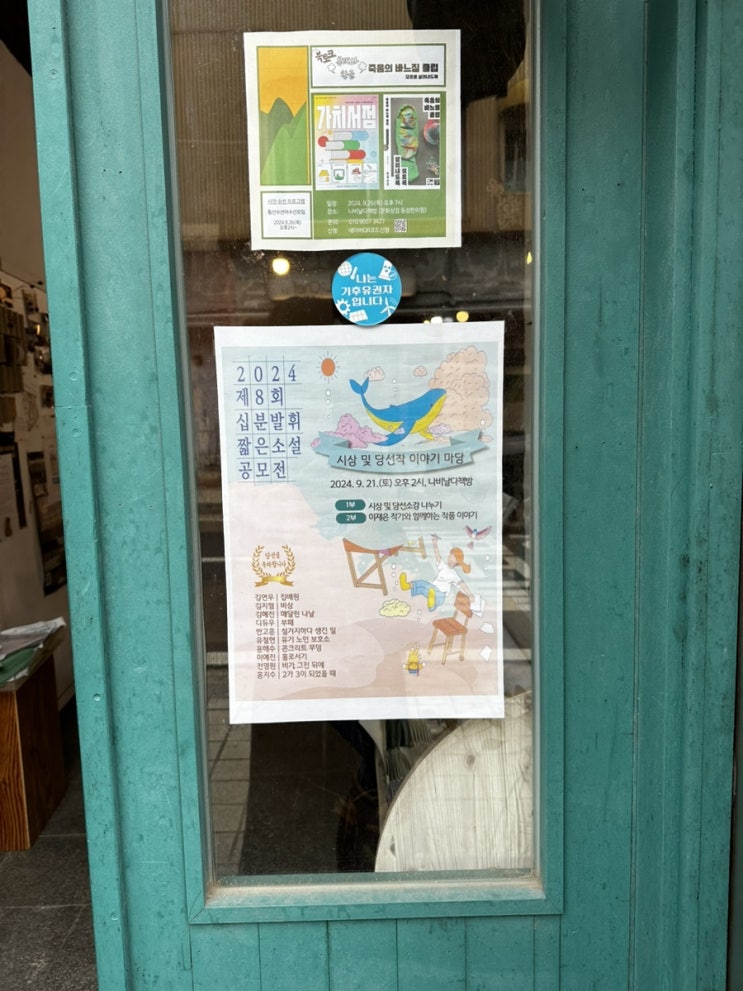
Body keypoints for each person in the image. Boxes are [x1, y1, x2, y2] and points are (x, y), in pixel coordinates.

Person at [399, 534, 473, 610]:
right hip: (432, 589)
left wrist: (470, 594)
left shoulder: (454, 575)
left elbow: (462, 585)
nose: (450, 558)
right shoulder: (444, 565)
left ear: (457, 561)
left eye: (453, 557)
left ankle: (432, 605)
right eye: (450, 556)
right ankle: (406, 586)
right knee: (422, 583)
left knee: (433, 593)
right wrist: (435, 543)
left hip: (440, 595)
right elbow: (437, 556)